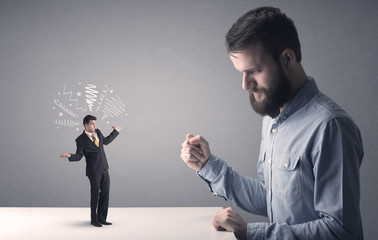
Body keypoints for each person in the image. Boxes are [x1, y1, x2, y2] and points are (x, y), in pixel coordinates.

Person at [180, 7, 363, 240]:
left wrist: (250, 233)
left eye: (254, 71)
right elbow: (271, 197)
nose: (245, 84)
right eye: (241, 73)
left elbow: (340, 231)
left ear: (288, 59)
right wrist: (207, 165)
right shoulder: (272, 117)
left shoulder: (331, 127)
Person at [60, 115, 121, 227]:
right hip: (93, 171)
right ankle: (94, 219)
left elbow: (106, 141)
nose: (94, 125)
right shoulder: (80, 140)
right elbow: (79, 156)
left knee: (105, 193)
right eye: (92, 123)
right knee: (95, 194)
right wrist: (70, 155)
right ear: (86, 125)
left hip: (104, 168)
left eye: (95, 123)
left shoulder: (97, 131)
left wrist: (115, 131)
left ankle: (102, 218)